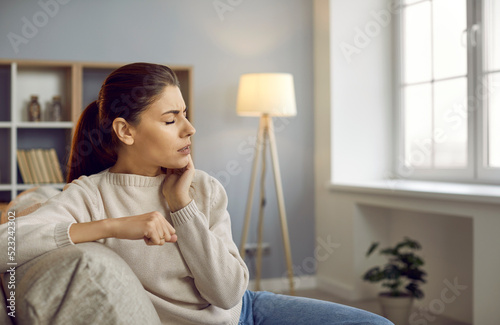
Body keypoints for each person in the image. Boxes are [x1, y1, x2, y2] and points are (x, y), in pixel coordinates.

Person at [0, 63, 393, 325]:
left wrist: (181, 206)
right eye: (171, 119)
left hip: (244, 312)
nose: (189, 129)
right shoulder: (89, 195)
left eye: (185, 114)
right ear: (125, 131)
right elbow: (8, 242)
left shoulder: (201, 187)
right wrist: (114, 226)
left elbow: (226, 293)